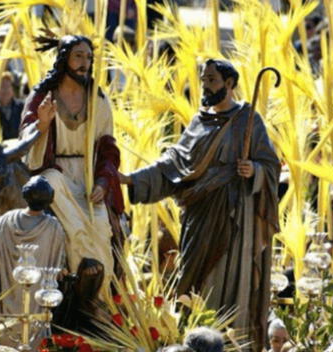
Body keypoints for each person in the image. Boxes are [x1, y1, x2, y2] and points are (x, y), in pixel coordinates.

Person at [119, 59, 280, 351]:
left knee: (230, 280)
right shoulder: (199, 121)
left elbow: (271, 164)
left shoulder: (249, 120)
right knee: (195, 282)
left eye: (212, 80)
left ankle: (231, 344)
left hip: (235, 217)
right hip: (200, 215)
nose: (206, 86)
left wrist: (254, 169)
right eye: (204, 80)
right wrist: (132, 179)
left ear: (230, 83)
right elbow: (174, 164)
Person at [20, 35, 124, 294]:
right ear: (64, 57)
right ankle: (75, 282)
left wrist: (103, 180)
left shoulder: (97, 99)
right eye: (78, 55)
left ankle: (100, 298)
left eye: (89, 57)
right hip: (57, 174)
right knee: (50, 182)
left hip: (88, 178)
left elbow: (109, 147)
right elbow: (26, 143)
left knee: (101, 229)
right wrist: (42, 123)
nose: (84, 63)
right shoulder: (44, 96)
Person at [0, 175, 66, 346]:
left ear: (25, 196)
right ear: (49, 200)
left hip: (5, 295)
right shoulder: (53, 226)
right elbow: (58, 264)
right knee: (31, 334)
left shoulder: (7, 219)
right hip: (35, 299)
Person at [0, 71, 24, 140]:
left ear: (12, 89)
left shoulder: (22, 107)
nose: (5, 90)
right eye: (2, 87)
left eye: (8, 86)